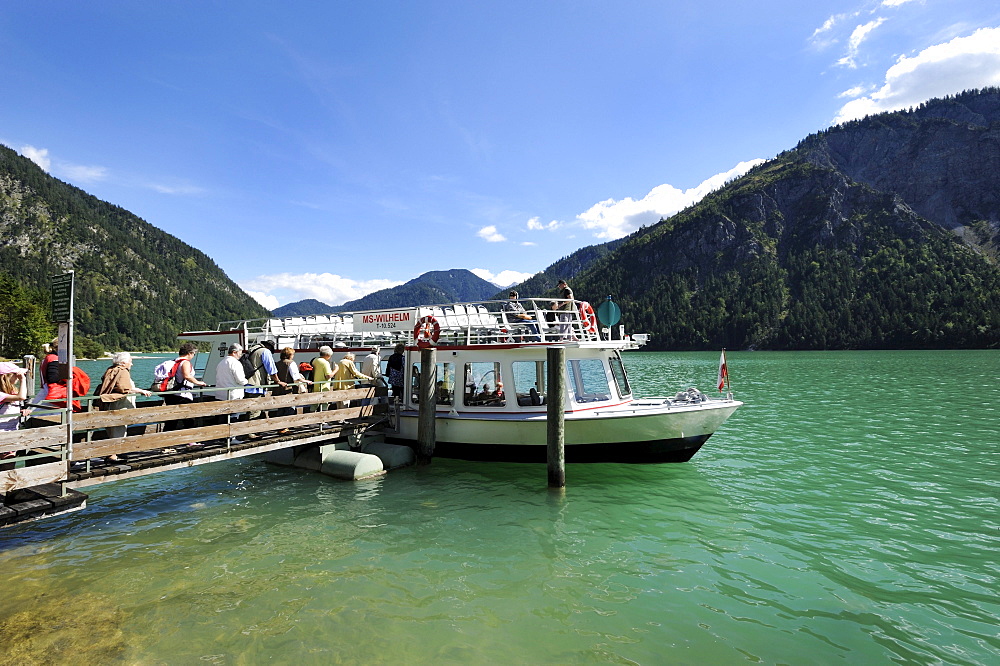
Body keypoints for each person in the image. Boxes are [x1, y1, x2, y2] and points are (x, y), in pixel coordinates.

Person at [95, 352, 153, 458]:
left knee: (113, 429)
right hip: (120, 404)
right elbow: (124, 388)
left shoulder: (110, 369)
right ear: (123, 363)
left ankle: (113, 453)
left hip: (109, 403)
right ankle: (114, 454)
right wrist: (141, 390)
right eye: (130, 361)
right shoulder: (123, 371)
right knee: (119, 429)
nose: (132, 364)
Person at [163, 342, 208, 433]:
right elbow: (187, 376)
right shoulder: (185, 362)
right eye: (193, 354)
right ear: (189, 353)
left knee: (171, 421)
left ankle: (166, 442)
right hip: (182, 394)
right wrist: (199, 383)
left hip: (171, 393)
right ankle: (191, 441)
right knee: (189, 419)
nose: (193, 356)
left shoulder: (173, 361)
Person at [243, 340, 287, 428]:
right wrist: (278, 381)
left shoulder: (252, 349)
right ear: (269, 347)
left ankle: (254, 430)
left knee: (251, 408)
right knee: (255, 409)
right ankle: (252, 432)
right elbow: (271, 369)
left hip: (247, 383)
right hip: (256, 384)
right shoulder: (265, 351)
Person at [0, 363, 28, 470]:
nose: (18, 376)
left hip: (11, 433)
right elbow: (22, 397)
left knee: (9, 464)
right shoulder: (1, 394)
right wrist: (23, 380)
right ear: (5, 377)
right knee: (6, 465)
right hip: (3, 435)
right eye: (16, 374)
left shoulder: (11, 393)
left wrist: (20, 411)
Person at [273, 346, 310, 426]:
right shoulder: (291, 363)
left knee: (281, 408)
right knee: (290, 408)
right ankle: (286, 426)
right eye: (292, 354)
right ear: (289, 355)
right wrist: (306, 381)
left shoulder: (277, 363)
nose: (293, 356)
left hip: (279, 389)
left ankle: (280, 426)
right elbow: (296, 376)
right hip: (288, 389)